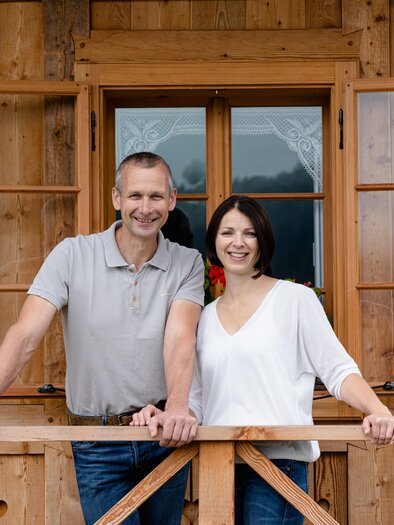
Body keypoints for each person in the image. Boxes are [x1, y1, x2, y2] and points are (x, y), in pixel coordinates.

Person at [134, 195, 394, 525]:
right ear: (214, 241)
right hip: (218, 465)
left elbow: (339, 371)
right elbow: (198, 401)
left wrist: (377, 409)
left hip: (278, 465)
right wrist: (167, 411)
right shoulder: (205, 317)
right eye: (227, 233)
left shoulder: (295, 300)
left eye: (249, 233)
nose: (238, 243)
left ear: (263, 240)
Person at [0, 152, 204, 525]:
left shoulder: (187, 262)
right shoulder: (72, 254)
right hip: (97, 438)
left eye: (156, 197)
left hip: (161, 435)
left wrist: (177, 407)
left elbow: (179, 336)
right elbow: (26, 334)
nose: (146, 208)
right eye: (135, 196)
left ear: (172, 200)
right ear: (116, 198)